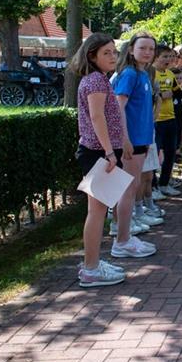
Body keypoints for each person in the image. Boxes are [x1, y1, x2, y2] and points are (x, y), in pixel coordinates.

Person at [72, 33, 130, 287]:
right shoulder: (95, 81)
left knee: (97, 210)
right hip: (98, 153)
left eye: (114, 52)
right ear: (91, 55)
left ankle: (92, 262)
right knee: (96, 212)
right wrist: (109, 152)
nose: (112, 57)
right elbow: (97, 118)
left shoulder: (99, 79)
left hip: (102, 151)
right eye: (106, 53)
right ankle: (91, 269)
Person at [110, 32, 159, 259]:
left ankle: (124, 236)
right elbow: (118, 107)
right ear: (131, 50)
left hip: (141, 139)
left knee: (130, 187)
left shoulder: (143, 74)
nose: (148, 52)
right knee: (128, 189)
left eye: (151, 48)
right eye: (143, 48)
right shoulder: (129, 74)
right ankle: (122, 241)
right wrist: (125, 138)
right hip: (132, 141)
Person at [152, 44, 181, 197]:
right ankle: (152, 187)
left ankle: (164, 184)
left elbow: (178, 93)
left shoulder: (170, 74)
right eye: (165, 56)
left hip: (171, 118)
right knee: (154, 155)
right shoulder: (150, 74)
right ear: (156, 57)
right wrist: (162, 95)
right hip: (156, 120)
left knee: (170, 153)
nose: (168, 59)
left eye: (170, 56)